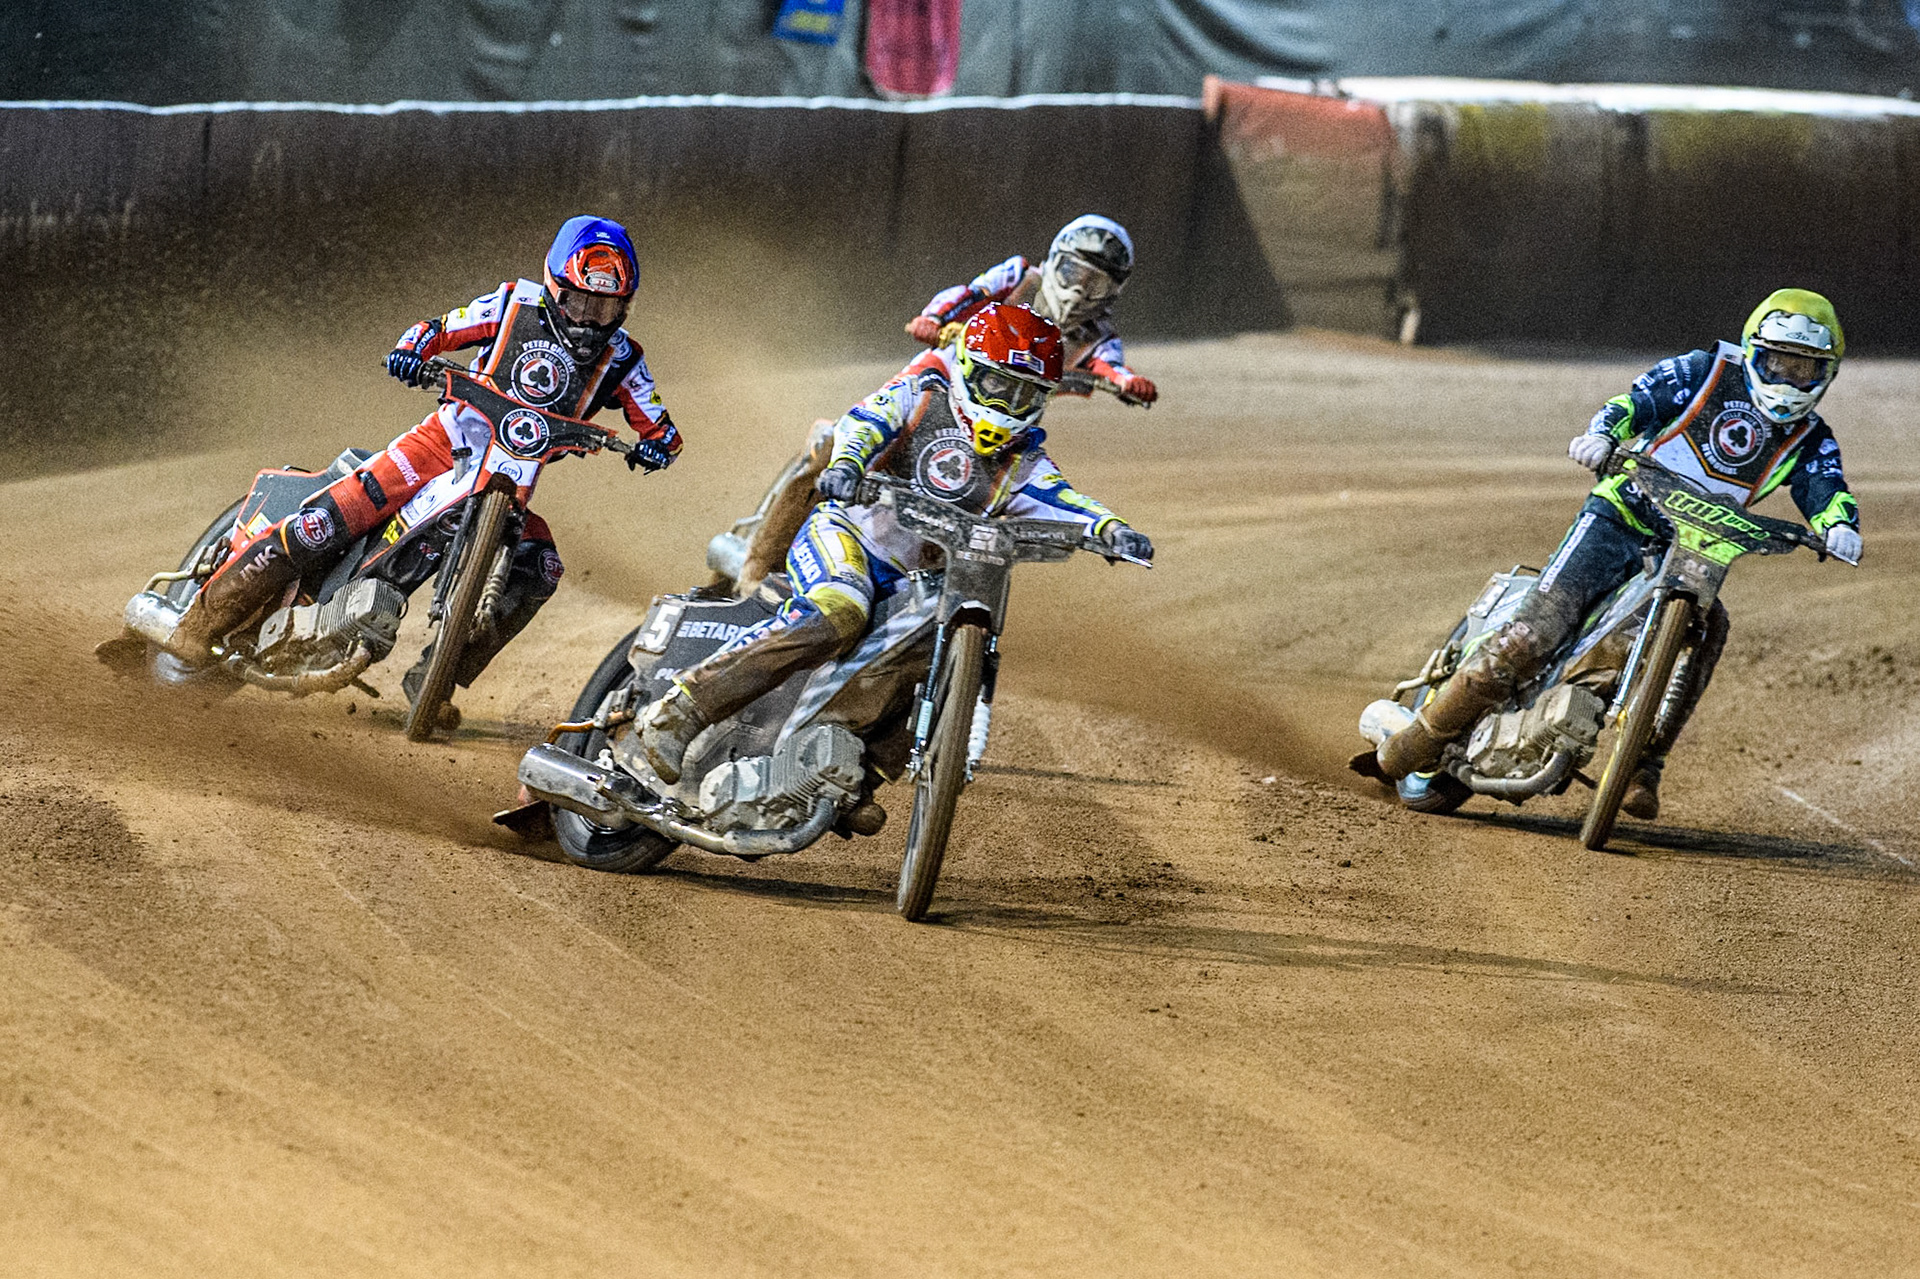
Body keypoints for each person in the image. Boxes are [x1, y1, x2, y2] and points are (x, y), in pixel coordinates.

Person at [159, 215, 682, 714]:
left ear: (625, 308)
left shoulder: (625, 360)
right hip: (440, 444)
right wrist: (410, 351)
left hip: (512, 483)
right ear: (553, 287)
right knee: (328, 521)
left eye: (605, 309)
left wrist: (658, 446)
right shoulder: (509, 304)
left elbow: (661, 426)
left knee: (542, 567)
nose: (590, 320)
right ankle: (197, 627)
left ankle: (436, 677)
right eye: (580, 301)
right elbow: (435, 329)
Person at [1375, 288, 1861, 820]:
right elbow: (1635, 404)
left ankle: (1643, 766)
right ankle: (1419, 740)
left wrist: (1839, 524)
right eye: (1780, 363)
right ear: (1752, 351)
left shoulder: (1811, 438)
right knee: (1539, 628)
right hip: (1621, 515)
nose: (1791, 379)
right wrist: (1602, 434)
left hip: (1694, 551)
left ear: (1827, 373)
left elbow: (1825, 486)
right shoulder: (1702, 371)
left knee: (1709, 632)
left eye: (1806, 368)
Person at [637, 303, 1152, 795]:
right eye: (998, 386)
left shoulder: (1023, 462)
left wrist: (1109, 530)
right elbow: (866, 421)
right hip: (848, 536)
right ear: (970, 370)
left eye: (1023, 395)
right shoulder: (923, 396)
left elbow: (1062, 500)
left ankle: (850, 774)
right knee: (841, 608)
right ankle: (684, 708)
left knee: (937, 654)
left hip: (918, 586)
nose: (1006, 406)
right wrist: (847, 464)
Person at [722, 215, 1155, 593]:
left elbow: (1112, 369)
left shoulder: (1099, 337)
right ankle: (756, 568)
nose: (1081, 289)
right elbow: (965, 294)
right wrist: (935, 318)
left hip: (997, 419)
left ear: (1113, 291)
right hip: (940, 375)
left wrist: (1129, 382)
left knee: (986, 505)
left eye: (1096, 282)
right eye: (1075, 272)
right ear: (1055, 260)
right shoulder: (1021, 276)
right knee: (842, 448)